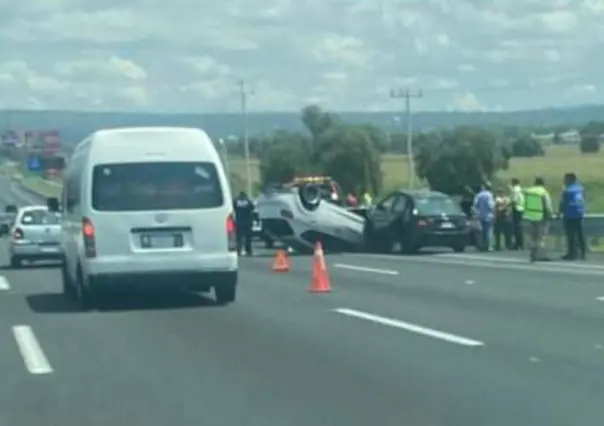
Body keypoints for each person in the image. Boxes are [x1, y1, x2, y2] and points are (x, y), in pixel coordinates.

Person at [523, 177, 553, 262]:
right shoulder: (543, 192)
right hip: (541, 216)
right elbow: (547, 206)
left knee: (532, 236)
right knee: (541, 236)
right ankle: (539, 254)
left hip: (529, 216)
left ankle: (532, 252)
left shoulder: (528, 191)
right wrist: (549, 215)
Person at [559, 172, 586, 260]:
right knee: (580, 234)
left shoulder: (566, 190)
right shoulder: (581, 189)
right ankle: (583, 253)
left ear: (570, 179)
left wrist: (559, 212)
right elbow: (583, 200)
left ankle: (571, 253)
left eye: (566, 179)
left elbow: (562, 203)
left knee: (571, 235)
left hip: (569, 215)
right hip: (579, 213)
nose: (564, 180)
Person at [472, 182, 495, 251]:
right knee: (489, 230)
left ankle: (482, 245)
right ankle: (489, 246)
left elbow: (475, 205)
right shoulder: (489, 195)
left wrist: (476, 213)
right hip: (488, 215)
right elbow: (490, 205)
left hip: (480, 215)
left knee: (481, 231)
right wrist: (493, 212)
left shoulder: (478, 195)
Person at [233, 190, 254, 256]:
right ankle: (248, 251)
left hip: (239, 221)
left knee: (239, 237)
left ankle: (239, 250)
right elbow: (252, 207)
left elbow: (234, 208)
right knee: (248, 237)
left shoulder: (236, 201)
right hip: (247, 221)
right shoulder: (248, 201)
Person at [509, 178, 524, 250]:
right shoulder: (520, 189)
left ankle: (517, 244)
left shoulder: (515, 190)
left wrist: (507, 205)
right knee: (519, 227)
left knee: (516, 228)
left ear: (514, 182)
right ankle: (520, 244)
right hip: (521, 209)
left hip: (516, 209)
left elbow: (514, 201)